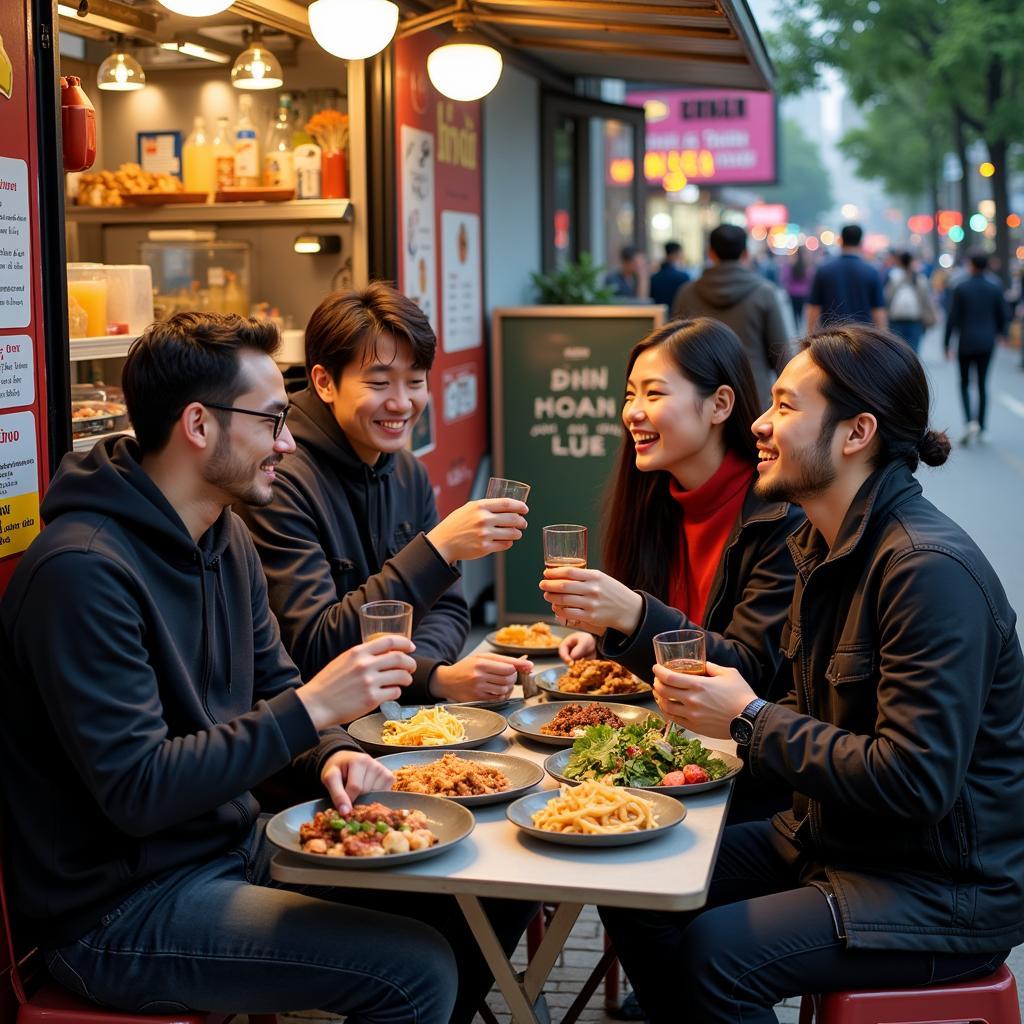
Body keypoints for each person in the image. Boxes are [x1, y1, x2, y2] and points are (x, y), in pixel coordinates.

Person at [0, 313, 520, 1024]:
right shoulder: (82, 572)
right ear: (198, 425)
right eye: (273, 420)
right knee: (415, 972)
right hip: (115, 913)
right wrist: (313, 710)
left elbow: (274, 682)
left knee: (476, 885)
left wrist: (333, 753)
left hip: (230, 849)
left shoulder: (224, 533)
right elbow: (139, 790)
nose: (286, 441)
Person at [600, 324, 1024, 1023]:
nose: (760, 425)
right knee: (634, 876)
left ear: (856, 433)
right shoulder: (819, 543)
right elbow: (805, 709)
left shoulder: (927, 569)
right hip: (832, 837)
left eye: (787, 407)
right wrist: (659, 765)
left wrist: (749, 717)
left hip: (937, 887)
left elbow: (916, 779)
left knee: (718, 952)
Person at [541, 317, 803, 823]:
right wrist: (608, 638)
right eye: (629, 394)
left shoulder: (779, 516)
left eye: (654, 394)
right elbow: (679, 631)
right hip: (666, 748)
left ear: (720, 405)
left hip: (744, 775)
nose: (632, 413)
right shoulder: (654, 500)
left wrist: (634, 615)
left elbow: (749, 674)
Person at [239, 284, 531, 704]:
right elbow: (313, 648)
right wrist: (439, 547)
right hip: (317, 739)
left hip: (394, 720)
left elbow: (447, 610)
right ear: (324, 382)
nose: (401, 403)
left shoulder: (407, 471)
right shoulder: (277, 479)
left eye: (415, 381)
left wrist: (429, 676)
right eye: (379, 383)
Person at [671, 224, 790, 406]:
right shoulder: (765, 293)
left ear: (710, 253)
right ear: (745, 254)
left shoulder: (686, 293)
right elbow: (781, 354)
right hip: (753, 394)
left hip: (700, 398)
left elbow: (674, 350)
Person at [944, 251, 1007, 444]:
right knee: (982, 383)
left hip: (966, 341)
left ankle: (969, 422)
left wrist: (947, 343)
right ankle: (982, 426)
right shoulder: (995, 287)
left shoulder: (961, 287)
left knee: (964, 382)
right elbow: (1002, 314)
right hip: (987, 342)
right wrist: (1002, 334)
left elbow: (953, 318)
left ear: (971, 265)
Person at [805, 224, 887, 331]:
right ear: (861, 242)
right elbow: (878, 311)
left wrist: (810, 337)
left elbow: (814, 308)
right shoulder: (872, 272)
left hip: (832, 339)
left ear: (841, 240)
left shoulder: (824, 270)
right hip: (863, 338)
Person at [884, 251, 936, 354]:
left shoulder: (893, 276)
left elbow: (887, 298)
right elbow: (925, 300)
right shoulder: (920, 278)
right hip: (915, 320)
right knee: (913, 351)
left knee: (897, 351)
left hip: (895, 320)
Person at [648, 241, 691, 307]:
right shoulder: (683, 277)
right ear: (677, 254)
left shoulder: (654, 278)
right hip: (679, 316)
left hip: (660, 315)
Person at [781, 246, 813, 326]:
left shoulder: (790, 264)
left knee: (794, 311)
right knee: (802, 312)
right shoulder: (806, 265)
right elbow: (810, 278)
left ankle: (797, 326)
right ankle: (801, 326)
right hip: (804, 293)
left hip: (792, 292)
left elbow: (785, 278)